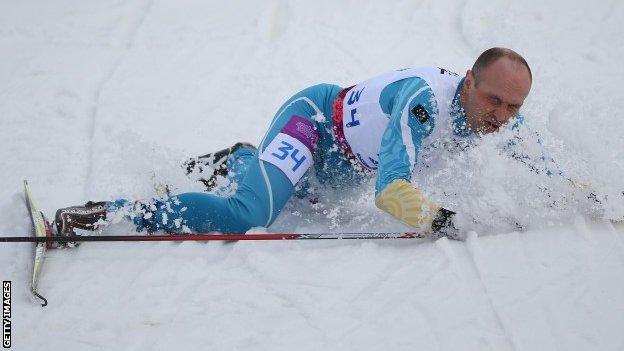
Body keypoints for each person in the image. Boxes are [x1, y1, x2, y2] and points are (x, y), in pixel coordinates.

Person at [51, 47, 533, 248]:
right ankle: (106, 214)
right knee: (250, 215)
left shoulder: (501, 113)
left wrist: (592, 198)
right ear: (469, 81)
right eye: (495, 101)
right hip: (315, 125)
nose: (503, 117)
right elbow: (390, 192)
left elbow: (545, 164)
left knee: (301, 201)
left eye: (514, 107)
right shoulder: (423, 104)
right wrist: (449, 222)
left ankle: (239, 159)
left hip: (341, 170)